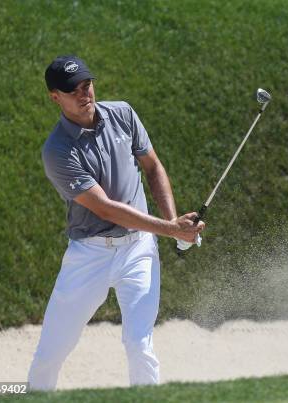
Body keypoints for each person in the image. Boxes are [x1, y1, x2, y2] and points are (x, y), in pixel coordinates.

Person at [28, 55, 204, 390]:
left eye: (86, 84)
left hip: (138, 249)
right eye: (72, 90)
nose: (84, 94)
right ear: (55, 97)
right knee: (50, 352)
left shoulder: (122, 113)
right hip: (89, 256)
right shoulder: (58, 150)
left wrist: (174, 223)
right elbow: (105, 208)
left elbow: (152, 168)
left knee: (140, 345)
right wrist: (171, 229)